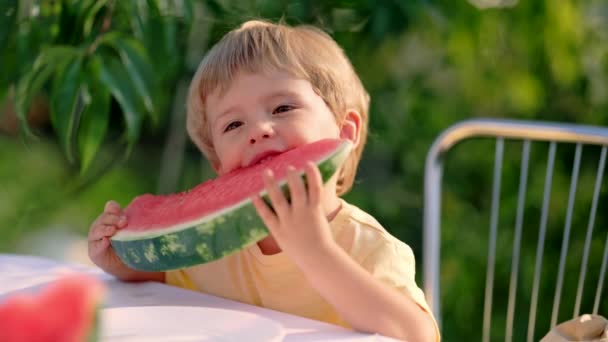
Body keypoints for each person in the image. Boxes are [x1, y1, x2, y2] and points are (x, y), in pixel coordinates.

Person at [88, 19, 439, 341]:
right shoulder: (215, 244)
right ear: (219, 164)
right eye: (233, 125)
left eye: (283, 108)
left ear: (344, 133)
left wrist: (317, 253)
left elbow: (416, 334)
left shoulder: (369, 247)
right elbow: (165, 280)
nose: (257, 131)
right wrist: (123, 264)